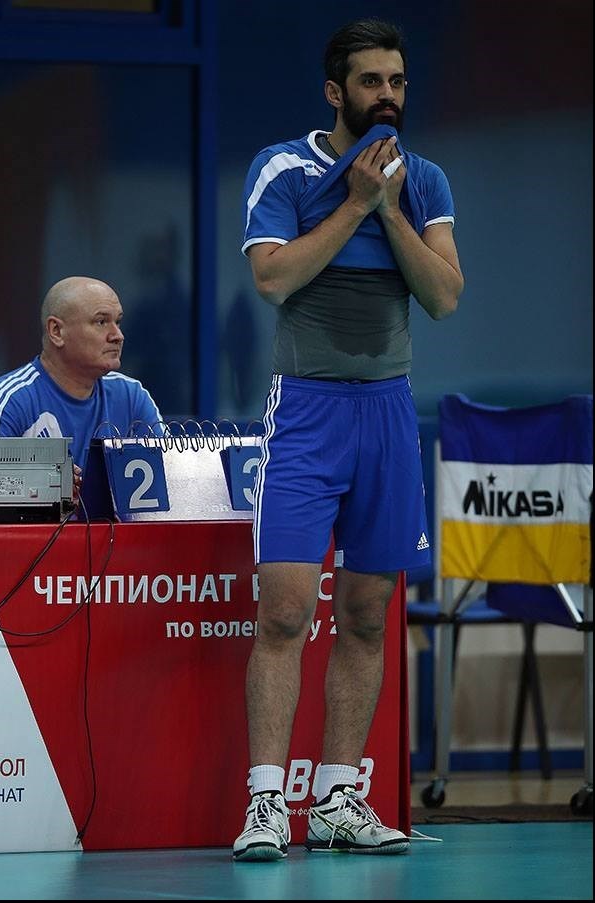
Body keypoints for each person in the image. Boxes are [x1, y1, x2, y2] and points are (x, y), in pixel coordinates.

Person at [233, 18, 464, 861]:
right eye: (371, 82)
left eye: (396, 81)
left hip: (388, 415)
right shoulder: (283, 168)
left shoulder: (424, 179)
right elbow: (271, 277)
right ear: (336, 92)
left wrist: (390, 208)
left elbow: (443, 296)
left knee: (367, 616)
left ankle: (337, 797)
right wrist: (355, 203)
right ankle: (266, 802)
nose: (388, 96)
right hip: (306, 413)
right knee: (285, 611)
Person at [0, 276, 164, 483]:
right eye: (101, 322)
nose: (118, 335)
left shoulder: (131, 395)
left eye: (118, 322)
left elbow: (170, 478)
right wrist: (42, 484)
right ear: (57, 331)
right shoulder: (9, 400)